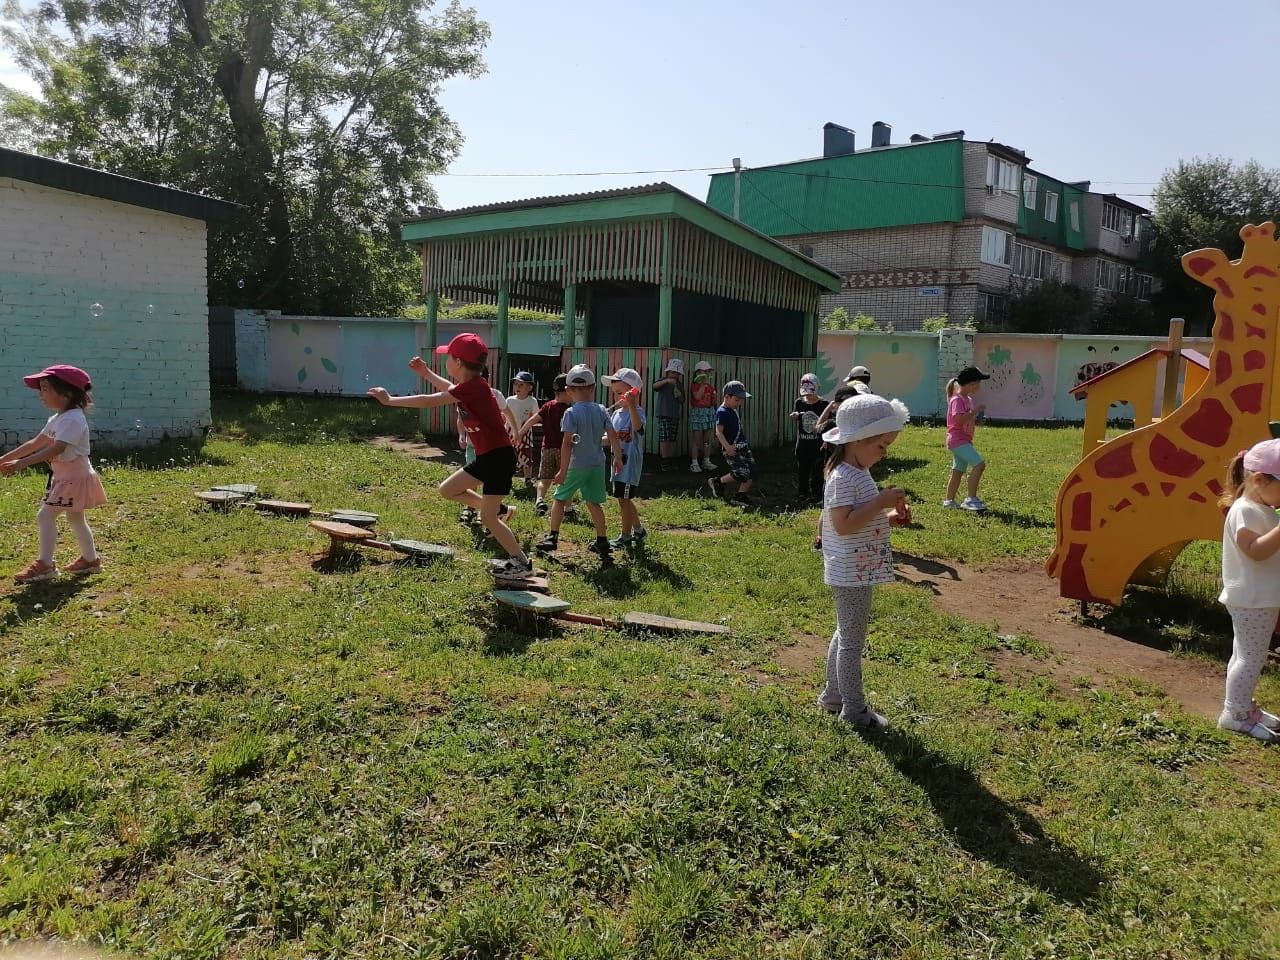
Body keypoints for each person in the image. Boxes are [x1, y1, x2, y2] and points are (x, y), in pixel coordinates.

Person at [367, 334, 532, 578]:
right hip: (488, 456)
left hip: (498, 457)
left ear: (457, 362)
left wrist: (390, 400)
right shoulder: (471, 386)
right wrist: (426, 374)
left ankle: (521, 563)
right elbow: (450, 389)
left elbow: (428, 401)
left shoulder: (474, 388)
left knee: (486, 517)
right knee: (448, 490)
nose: (446, 361)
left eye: (448, 357)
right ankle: (500, 510)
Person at [816, 394, 911, 729]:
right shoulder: (845, 476)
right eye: (882, 446)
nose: (885, 454)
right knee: (852, 643)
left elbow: (858, 518)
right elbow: (843, 525)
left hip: (856, 567)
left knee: (845, 633)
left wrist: (887, 516)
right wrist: (881, 502)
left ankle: (833, 696)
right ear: (858, 441)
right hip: (850, 571)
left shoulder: (857, 471)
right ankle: (854, 711)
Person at [1, 365, 108, 583]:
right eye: (40, 389)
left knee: (46, 515)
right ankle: (90, 560)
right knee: (75, 517)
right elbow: (37, 442)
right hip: (69, 476)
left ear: (67, 392)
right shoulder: (58, 418)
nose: (41, 395)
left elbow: (56, 448)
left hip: (74, 478)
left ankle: (45, 565)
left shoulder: (73, 419)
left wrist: (21, 464)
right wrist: (4, 458)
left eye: (46, 389)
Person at [1216, 440, 1280, 743]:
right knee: (1250, 660)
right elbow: (1254, 551)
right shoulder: (1245, 511)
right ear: (1259, 479)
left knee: (1244, 655)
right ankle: (1235, 714)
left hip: (1259, 597)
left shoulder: (1260, 508)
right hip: (1253, 600)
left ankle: (1243, 706)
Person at [537, 364, 623, 558]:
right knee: (593, 503)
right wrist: (617, 458)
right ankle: (602, 540)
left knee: (559, 499)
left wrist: (563, 471)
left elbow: (567, 444)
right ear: (593, 388)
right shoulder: (601, 410)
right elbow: (613, 437)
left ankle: (552, 537)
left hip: (577, 466)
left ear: (568, 391)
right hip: (597, 465)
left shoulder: (571, 413)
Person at [812, 381, 865, 551]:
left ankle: (839, 537)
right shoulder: (835, 424)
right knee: (829, 507)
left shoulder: (853, 424)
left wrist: (828, 409)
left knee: (842, 506)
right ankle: (821, 539)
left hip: (850, 471)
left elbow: (817, 428)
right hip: (837, 472)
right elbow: (817, 428)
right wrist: (829, 409)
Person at [603, 367, 648, 549]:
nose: (616, 397)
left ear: (633, 392)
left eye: (620, 393)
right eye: (614, 394)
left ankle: (626, 537)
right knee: (623, 499)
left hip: (630, 465)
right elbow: (610, 438)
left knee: (625, 499)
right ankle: (638, 530)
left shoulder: (637, 412)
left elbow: (638, 428)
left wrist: (631, 405)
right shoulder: (615, 414)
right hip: (617, 464)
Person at [517, 373, 569, 516]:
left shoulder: (547, 406)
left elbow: (532, 420)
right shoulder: (568, 410)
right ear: (566, 391)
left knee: (544, 479)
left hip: (546, 449)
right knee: (565, 481)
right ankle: (568, 509)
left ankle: (539, 499)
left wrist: (520, 433)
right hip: (562, 450)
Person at [943, 365, 990, 511]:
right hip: (958, 440)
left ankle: (949, 501)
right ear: (971, 383)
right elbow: (959, 420)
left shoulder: (966, 399)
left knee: (958, 471)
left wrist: (977, 418)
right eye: (978, 383)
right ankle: (970, 499)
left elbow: (966, 419)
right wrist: (975, 411)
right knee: (979, 464)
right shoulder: (957, 400)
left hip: (962, 440)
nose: (979, 386)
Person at [707, 381, 756, 507]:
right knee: (742, 472)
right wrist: (727, 447)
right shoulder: (722, 411)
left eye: (741, 400)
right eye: (737, 399)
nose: (739, 403)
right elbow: (718, 432)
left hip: (742, 446)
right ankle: (718, 481)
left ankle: (740, 496)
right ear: (727, 397)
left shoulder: (732, 409)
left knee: (752, 471)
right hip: (731, 448)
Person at [791, 372, 826, 501]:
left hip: (818, 443)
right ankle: (803, 492)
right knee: (803, 470)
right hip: (803, 443)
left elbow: (826, 422)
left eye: (810, 393)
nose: (808, 396)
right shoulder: (799, 402)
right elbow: (798, 415)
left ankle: (817, 493)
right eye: (805, 393)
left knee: (817, 470)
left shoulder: (823, 404)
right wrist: (795, 416)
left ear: (816, 389)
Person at [506, 371, 540, 488]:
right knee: (509, 457)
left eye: (521, 385)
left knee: (527, 456)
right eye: (516, 384)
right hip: (510, 432)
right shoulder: (510, 400)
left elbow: (536, 416)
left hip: (526, 433)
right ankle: (507, 478)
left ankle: (527, 479)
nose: (517, 387)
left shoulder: (532, 401)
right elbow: (503, 415)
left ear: (530, 387)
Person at [652, 358, 684, 472]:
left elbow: (682, 400)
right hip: (663, 413)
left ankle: (670, 459)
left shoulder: (679, 384)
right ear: (668, 372)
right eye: (672, 372)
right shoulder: (664, 381)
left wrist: (679, 395)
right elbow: (654, 386)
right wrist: (666, 381)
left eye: (677, 373)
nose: (674, 375)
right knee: (664, 437)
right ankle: (664, 460)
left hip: (674, 414)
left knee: (672, 438)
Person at [688, 360, 717, 473]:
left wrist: (714, 396)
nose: (707, 374)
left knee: (707, 440)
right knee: (697, 440)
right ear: (698, 373)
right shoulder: (695, 386)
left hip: (709, 413)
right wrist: (703, 385)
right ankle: (694, 463)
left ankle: (706, 461)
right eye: (705, 371)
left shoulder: (710, 387)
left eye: (708, 372)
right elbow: (698, 397)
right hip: (698, 413)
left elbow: (713, 402)